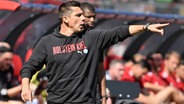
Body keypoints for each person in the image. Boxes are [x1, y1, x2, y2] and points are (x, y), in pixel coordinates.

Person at [20, 1, 169, 104]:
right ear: (65, 19)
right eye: (78, 15)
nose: (83, 18)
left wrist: (146, 27)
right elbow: (29, 67)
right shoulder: (47, 42)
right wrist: (25, 86)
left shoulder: (91, 37)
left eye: (83, 15)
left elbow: (119, 32)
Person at [80, 2, 106, 104]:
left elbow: (100, 70)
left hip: (91, 95)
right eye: (89, 17)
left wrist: (103, 96)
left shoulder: (96, 40)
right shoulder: (67, 38)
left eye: (94, 17)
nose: (92, 20)